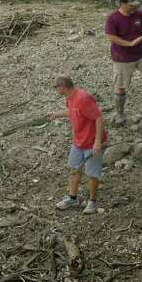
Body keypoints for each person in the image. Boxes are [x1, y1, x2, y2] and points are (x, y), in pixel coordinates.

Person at [48, 75, 105, 214]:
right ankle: (72, 198)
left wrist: (97, 142)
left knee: (92, 173)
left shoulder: (83, 98)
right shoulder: (70, 98)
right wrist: (56, 114)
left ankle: (93, 202)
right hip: (78, 142)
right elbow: (72, 112)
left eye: (56, 87)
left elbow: (99, 118)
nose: (56, 90)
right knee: (74, 169)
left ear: (62, 87)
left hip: (91, 142)